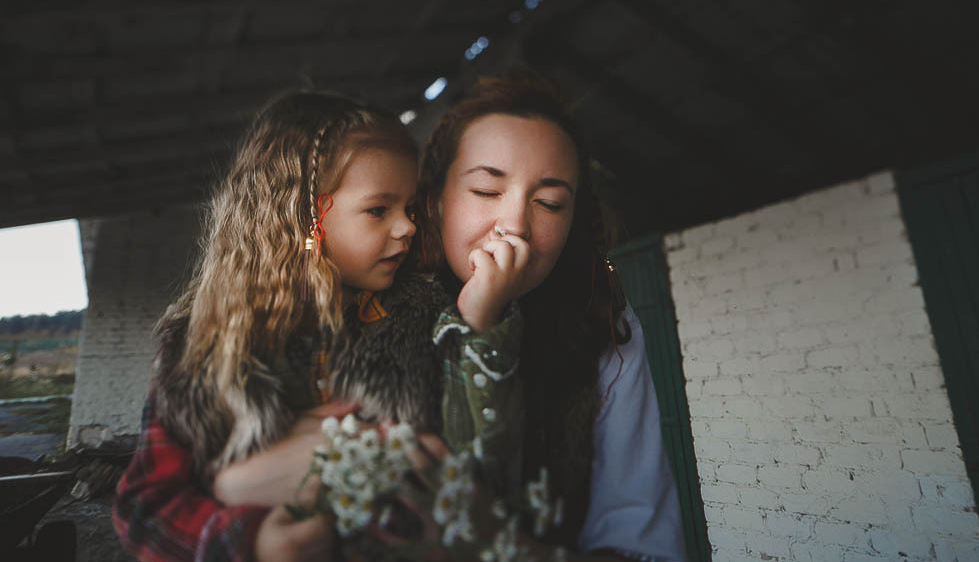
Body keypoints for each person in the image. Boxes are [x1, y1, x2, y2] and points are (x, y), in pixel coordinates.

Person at [112, 90, 529, 561]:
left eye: (409, 209)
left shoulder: (425, 318)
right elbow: (143, 509)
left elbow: (480, 465)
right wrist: (253, 541)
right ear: (303, 216)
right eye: (379, 210)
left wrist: (480, 322)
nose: (407, 227)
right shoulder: (199, 348)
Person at [416, 70, 686, 559]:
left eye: (549, 202)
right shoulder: (373, 308)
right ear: (435, 203)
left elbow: (641, 539)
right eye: (485, 191)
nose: (515, 225)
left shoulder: (605, 329)